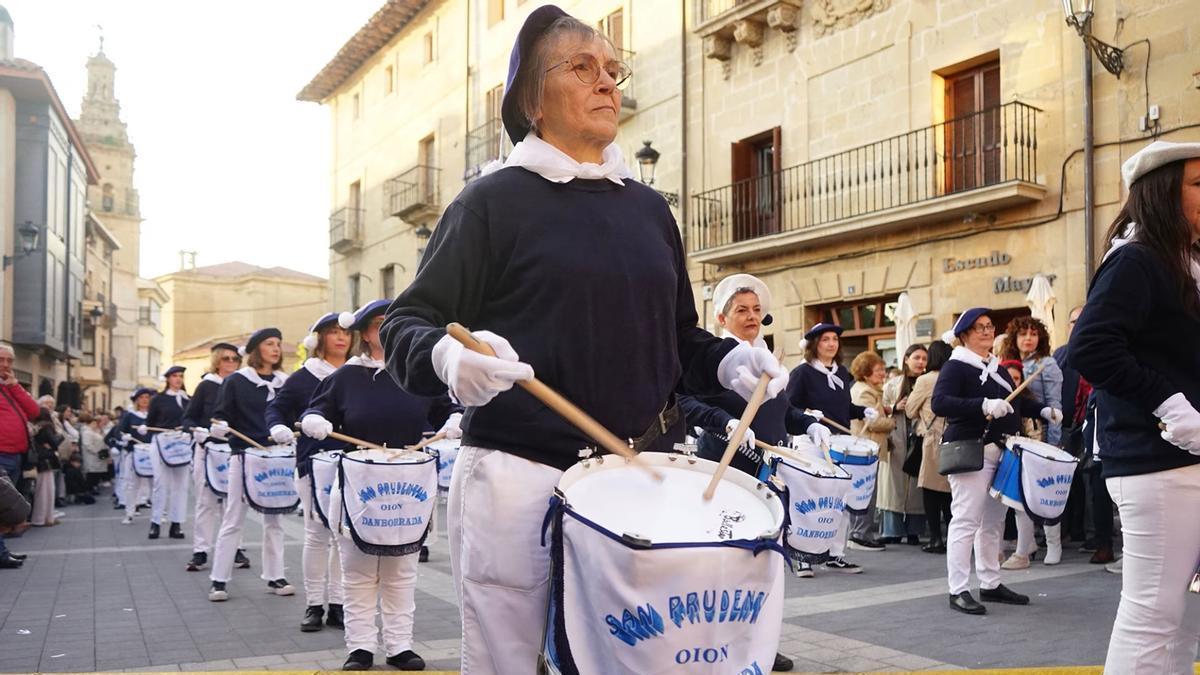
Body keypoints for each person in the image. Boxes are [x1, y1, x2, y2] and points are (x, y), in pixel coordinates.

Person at [379, 8, 788, 672]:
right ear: (532, 100)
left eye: (611, 70)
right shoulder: (490, 202)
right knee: (506, 662)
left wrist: (728, 360)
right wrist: (450, 357)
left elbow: (677, 339)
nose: (607, 82)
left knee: (636, 659)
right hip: (519, 472)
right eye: (582, 67)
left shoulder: (650, 209)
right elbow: (406, 323)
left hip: (639, 472)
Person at [1070, 140, 1200, 674]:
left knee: (1180, 619)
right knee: (1152, 615)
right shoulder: (1137, 257)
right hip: (1156, 462)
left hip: (1179, 462)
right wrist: (1172, 406)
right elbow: (1091, 347)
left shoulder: (1180, 260)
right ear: (1163, 193)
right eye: (1199, 184)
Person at [304, 300, 461, 671]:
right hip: (359, 480)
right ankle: (360, 647)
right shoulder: (345, 377)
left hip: (408, 480)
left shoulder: (418, 374)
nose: (386, 330)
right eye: (378, 324)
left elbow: (449, 408)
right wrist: (314, 420)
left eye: (392, 323)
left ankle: (399, 646)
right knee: (357, 571)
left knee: (402, 572)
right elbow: (316, 410)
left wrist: (455, 419)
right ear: (363, 332)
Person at [677, 274, 820, 674]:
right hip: (724, 473)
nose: (752, 316)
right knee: (725, 564)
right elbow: (683, 400)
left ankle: (762, 643)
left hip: (767, 477)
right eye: (742, 310)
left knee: (764, 564)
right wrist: (724, 423)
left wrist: (808, 423)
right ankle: (718, 644)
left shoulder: (767, 360)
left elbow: (782, 413)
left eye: (757, 309)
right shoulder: (709, 360)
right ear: (723, 318)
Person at [932, 308, 1057, 615]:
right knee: (965, 520)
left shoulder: (995, 366)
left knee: (993, 522)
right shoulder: (956, 366)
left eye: (989, 326)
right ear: (964, 335)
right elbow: (940, 402)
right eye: (980, 328)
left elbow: (1015, 400)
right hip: (971, 449)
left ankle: (990, 582)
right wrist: (983, 405)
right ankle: (958, 589)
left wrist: (1042, 410)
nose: (988, 332)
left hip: (1001, 451)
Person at [266, 312, 351, 633]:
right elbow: (276, 408)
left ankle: (339, 604)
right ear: (317, 339)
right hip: (313, 464)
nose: (341, 337)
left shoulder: (357, 374)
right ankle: (314, 604)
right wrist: (277, 427)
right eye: (333, 332)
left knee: (344, 537)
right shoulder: (304, 377)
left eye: (346, 332)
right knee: (317, 536)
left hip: (353, 466)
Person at [787, 322, 881, 573]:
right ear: (814, 344)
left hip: (839, 442)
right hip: (810, 439)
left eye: (835, 339)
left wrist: (862, 411)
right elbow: (789, 406)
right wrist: (807, 414)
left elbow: (843, 409)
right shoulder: (802, 372)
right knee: (810, 496)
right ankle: (803, 556)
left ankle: (835, 554)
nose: (831, 344)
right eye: (825, 339)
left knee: (841, 498)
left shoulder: (842, 373)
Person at [207, 328, 292, 602]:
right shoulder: (236, 381)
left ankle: (276, 576)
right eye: (269, 343)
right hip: (244, 455)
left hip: (276, 456)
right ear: (256, 349)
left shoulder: (285, 382)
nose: (276, 348)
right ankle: (219, 579)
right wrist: (220, 426)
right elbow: (220, 415)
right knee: (233, 517)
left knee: (275, 519)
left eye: (278, 344)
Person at [1000, 317, 1065, 568]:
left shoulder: (1046, 364)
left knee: (1046, 489)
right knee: (1017, 491)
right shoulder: (1005, 361)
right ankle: (1027, 543)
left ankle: (1053, 542)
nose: (1028, 338)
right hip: (1011, 432)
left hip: (1039, 431)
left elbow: (1054, 403)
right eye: (1023, 334)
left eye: (1034, 334)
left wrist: (1054, 441)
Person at [182, 342, 248, 572]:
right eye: (226, 358)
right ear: (217, 361)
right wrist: (197, 431)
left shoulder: (241, 385)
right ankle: (201, 550)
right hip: (208, 449)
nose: (231, 362)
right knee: (206, 502)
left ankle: (235, 547)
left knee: (234, 503)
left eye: (235, 359)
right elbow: (188, 418)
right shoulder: (206, 386)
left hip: (233, 450)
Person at [905, 340, 952, 553]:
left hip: (933, 440)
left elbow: (909, 410)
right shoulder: (955, 377)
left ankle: (936, 539)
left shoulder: (925, 380)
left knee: (931, 490)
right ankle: (953, 537)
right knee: (951, 492)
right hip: (955, 439)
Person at [880, 344, 928, 544]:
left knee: (917, 485)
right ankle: (892, 531)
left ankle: (914, 531)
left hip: (919, 437)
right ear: (906, 359)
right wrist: (894, 407)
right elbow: (879, 408)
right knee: (893, 485)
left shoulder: (927, 382)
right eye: (916, 357)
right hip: (896, 436)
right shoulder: (892, 384)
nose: (920, 362)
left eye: (924, 358)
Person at [0, 343, 38, 569]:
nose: (5, 364)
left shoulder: (10, 387)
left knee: (4, 508)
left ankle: (2, 552)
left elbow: (34, 411)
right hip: (2, 454)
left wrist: (15, 386)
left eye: (9, 361)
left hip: (15, 455)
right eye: (1, 359)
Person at [143, 365, 191, 540]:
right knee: (160, 483)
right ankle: (155, 523)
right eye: (175, 376)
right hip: (162, 442)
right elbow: (151, 422)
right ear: (168, 379)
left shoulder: (188, 400)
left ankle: (176, 524)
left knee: (181, 486)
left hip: (182, 444)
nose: (178, 379)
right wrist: (146, 429)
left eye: (181, 376)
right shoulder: (158, 399)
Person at [108, 388, 154, 524]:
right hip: (134, 452)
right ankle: (129, 513)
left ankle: (158, 513)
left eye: (147, 397)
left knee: (155, 484)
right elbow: (118, 432)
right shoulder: (129, 415)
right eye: (142, 397)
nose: (145, 400)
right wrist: (124, 437)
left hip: (152, 452)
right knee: (132, 484)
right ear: (137, 400)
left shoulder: (154, 415)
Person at [29, 409, 62, 526]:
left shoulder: (35, 427)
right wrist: (60, 437)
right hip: (46, 460)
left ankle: (43, 517)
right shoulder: (47, 426)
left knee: (41, 490)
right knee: (46, 491)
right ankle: (44, 518)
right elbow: (54, 443)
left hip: (39, 460)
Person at [78, 413, 109, 492]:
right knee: (91, 474)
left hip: (97, 456)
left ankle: (94, 487)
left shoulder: (94, 431)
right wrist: (97, 451)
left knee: (96, 473)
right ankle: (90, 488)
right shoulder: (87, 432)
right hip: (92, 456)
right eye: (94, 423)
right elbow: (87, 445)